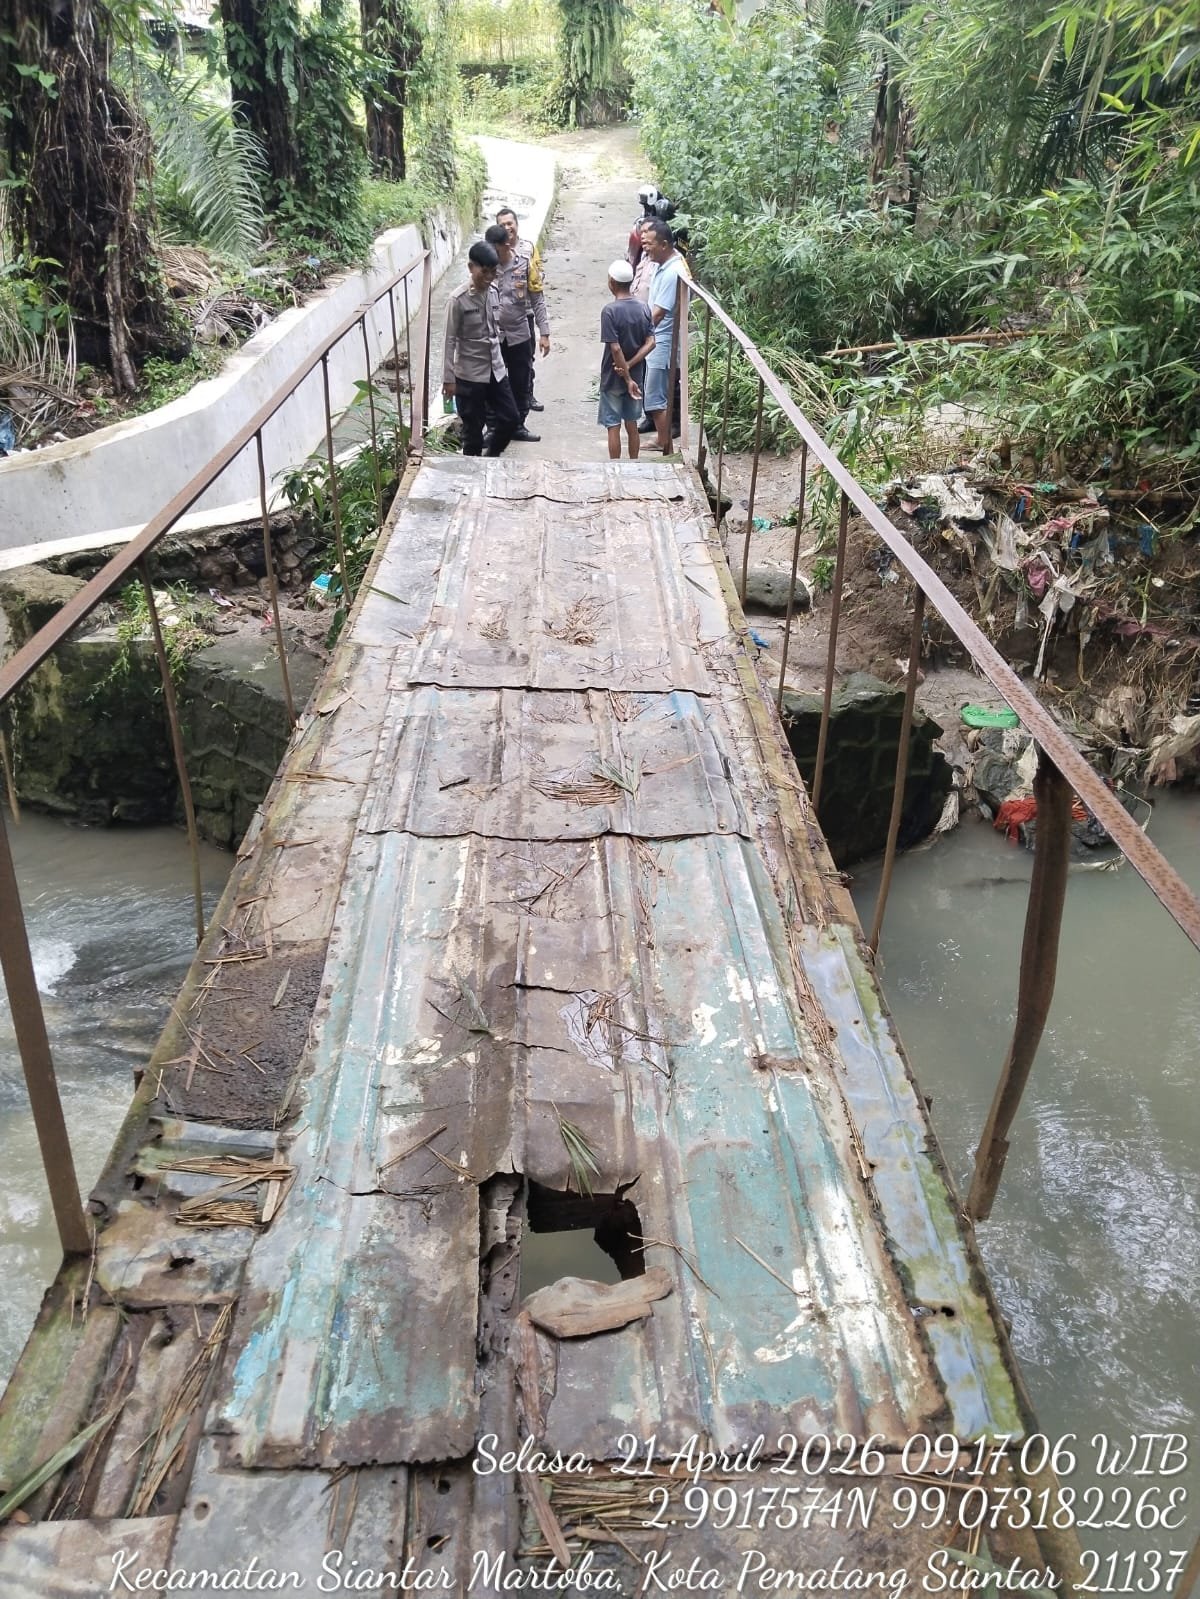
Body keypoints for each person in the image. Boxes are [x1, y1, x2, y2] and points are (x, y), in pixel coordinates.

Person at [441, 241, 520, 457]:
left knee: (510, 419)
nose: (488, 277)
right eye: (484, 272)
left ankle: (491, 459)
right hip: (469, 376)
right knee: (473, 435)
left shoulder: (493, 292)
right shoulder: (457, 300)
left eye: (493, 272)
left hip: (495, 370)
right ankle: (471, 481)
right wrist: (449, 379)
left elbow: (497, 330)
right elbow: (449, 341)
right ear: (470, 268)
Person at [483, 222, 545, 443]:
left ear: (506, 245)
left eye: (496, 249)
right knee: (493, 383)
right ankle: (493, 428)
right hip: (493, 337)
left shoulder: (525, 265)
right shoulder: (484, 268)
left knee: (521, 382)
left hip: (519, 334)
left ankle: (518, 425)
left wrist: (544, 332)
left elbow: (538, 300)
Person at [640, 217, 691, 453]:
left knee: (655, 393)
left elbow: (659, 313)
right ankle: (663, 438)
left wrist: (637, 331)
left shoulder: (673, 272)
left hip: (661, 341)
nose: (645, 247)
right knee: (657, 391)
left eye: (649, 243)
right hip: (660, 339)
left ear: (663, 244)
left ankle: (663, 441)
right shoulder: (668, 264)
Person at [598, 260, 655, 460]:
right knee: (632, 424)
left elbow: (615, 347)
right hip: (637, 376)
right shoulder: (644, 308)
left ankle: (615, 467)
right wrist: (631, 368)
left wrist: (625, 372)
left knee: (613, 425)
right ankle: (634, 464)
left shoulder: (610, 311)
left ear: (612, 282)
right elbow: (651, 342)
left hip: (613, 376)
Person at [496, 206, 549, 413]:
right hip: (498, 323)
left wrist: (544, 331)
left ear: (517, 225)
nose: (508, 228)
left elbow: (537, 287)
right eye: (502, 225)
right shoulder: (491, 257)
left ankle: (526, 397)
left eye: (510, 223)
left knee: (525, 364)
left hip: (523, 315)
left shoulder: (527, 250)